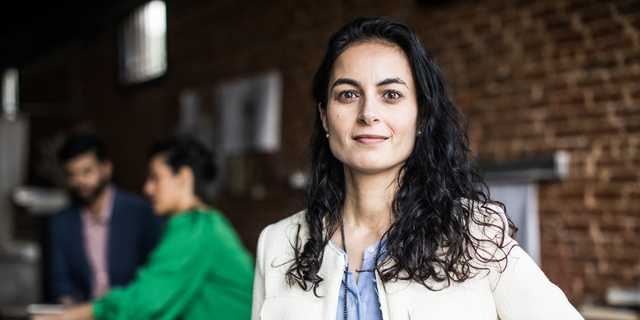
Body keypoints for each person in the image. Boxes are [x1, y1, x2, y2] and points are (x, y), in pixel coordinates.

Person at [251, 17, 584, 320]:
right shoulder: (278, 244)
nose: (368, 113)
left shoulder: (476, 235)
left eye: (391, 94)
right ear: (325, 116)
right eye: (348, 94)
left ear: (421, 116)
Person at [36, 137, 254, 320]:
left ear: (184, 178)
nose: (147, 188)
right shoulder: (200, 223)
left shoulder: (195, 226)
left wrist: (70, 315)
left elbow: (146, 300)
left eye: (155, 177)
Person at [49, 133, 163, 304]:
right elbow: (60, 279)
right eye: (71, 174)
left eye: (87, 171)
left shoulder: (142, 213)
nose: (79, 181)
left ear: (106, 169)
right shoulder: (60, 223)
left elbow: (156, 273)